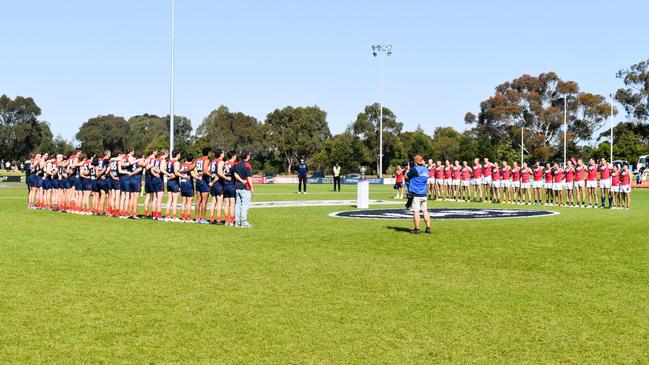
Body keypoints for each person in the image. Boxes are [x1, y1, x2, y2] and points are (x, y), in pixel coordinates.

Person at [405, 155, 431, 234]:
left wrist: (407, 169)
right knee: (425, 211)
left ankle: (417, 229)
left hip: (416, 193)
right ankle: (428, 228)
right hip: (423, 193)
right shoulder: (426, 170)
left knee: (416, 211)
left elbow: (406, 177)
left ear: (415, 161)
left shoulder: (414, 169)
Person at [233, 150, 254, 228]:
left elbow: (235, 174)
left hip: (237, 187)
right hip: (245, 188)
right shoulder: (247, 165)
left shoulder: (237, 164)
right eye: (249, 155)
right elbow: (249, 178)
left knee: (237, 205)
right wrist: (252, 188)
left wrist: (241, 180)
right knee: (245, 206)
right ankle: (244, 222)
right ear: (247, 156)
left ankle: (237, 222)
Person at [194, 147, 212, 224]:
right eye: (210, 152)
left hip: (198, 180)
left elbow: (191, 167)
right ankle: (203, 218)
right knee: (204, 201)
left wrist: (183, 171)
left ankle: (197, 218)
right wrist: (212, 175)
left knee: (198, 200)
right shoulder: (207, 160)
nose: (211, 154)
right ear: (208, 153)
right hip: (204, 181)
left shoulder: (197, 159)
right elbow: (205, 170)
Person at [164, 151, 181, 221]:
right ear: (177, 155)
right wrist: (183, 176)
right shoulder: (176, 162)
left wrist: (169, 175)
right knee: (175, 200)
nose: (180, 155)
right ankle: (174, 217)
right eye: (179, 154)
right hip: (174, 182)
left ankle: (167, 216)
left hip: (169, 182)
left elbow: (166, 170)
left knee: (169, 200)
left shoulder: (168, 162)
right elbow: (176, 172)